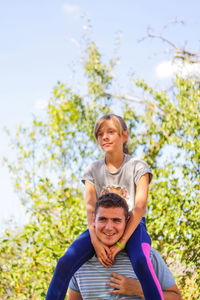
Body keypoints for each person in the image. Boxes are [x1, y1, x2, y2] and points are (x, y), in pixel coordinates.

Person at [46, 114, 164, 300]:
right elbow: (91, 210)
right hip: (99, 227)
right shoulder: (92, 170)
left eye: (111, 132)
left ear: (125, 136)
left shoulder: (137, 166)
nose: (105, 137)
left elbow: (140, 207)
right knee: (64, 262)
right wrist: (95, 241)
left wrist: (121, 242)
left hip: (133, 225)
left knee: (141, 261)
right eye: (100, 134)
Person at [68, 194, 181, 300]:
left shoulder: (149, 257)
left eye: (116, 220)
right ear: (93, 220)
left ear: (126, 222)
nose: (109, 227)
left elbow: (176, 297)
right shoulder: (80, 262)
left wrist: (140, 289)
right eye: (103, 219)